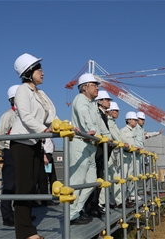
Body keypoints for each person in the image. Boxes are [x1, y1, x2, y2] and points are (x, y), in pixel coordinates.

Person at [10, 53, 58, 239]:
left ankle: (27, 228)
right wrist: (44, 130)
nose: (43, 73)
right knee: (23, 187)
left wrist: (65, 126)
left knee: (31, 186)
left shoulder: (41, 94)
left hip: (36, 142)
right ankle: (25, 233)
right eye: (39, 69)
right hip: (22, 142)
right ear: (29, 72)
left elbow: (50, 117)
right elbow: (25, 116)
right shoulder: (22, 90)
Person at [69, 73, 110, 225]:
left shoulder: (93, 104)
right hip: (80, 143)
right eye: (94, 85)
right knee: (78, 180)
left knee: (92, 181)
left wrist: (108, 137)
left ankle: (76, 210)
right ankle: (71, 214)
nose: (97, 88)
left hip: (90, 145)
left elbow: (100, 123)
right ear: (84, 87)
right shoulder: (80, 99)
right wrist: (90, 130)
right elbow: (84, 116)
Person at [98, 102, 135, 208]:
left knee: (110, 177)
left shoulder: (112, 122)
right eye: (116, 111)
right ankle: (112, 201)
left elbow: (118, 134)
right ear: (110, 111)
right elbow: (114, 135)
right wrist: (122, 143)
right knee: (109, 177)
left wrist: (124, 143)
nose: (118, 113)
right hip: (108, 152)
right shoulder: (108, 122)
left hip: (112, 152)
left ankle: (113, 201)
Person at [85, 90, 113, 217]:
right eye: (106, 100)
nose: (108, 102)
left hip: (103, 149)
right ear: (100, 102)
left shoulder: (104, 115)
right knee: (95, 177)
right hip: (98, 149)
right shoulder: (98, 114)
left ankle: (95, 204)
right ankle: (91, 206)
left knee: (100, 177)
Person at [0, 85, 19, 227]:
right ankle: (7, 215)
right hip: (11, 151)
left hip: (21, 152)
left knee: (20, 185)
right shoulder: (8, 115)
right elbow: (0, 135)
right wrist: (4, 151)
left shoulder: (23, 116)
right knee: (9, 185)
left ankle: (19, 214)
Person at [120, 111, 139, 202]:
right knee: (124, 176)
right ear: (128, 120)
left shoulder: (133, 131)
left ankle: (128, 195)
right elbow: (123, 143)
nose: (136, 122)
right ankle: (122, 197)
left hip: (131, 156)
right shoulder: (123, 131)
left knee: (130, 177)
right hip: (124, 155)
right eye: (134, 120)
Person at [36, 138, 59, 207]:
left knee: (52, 178)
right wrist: (44, 156)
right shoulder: (43, 133)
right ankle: (45, 200)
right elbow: (42, 145)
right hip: (45, 156)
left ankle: (51, 197)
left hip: (49, 156)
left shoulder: (49, 136)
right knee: (44, 179)